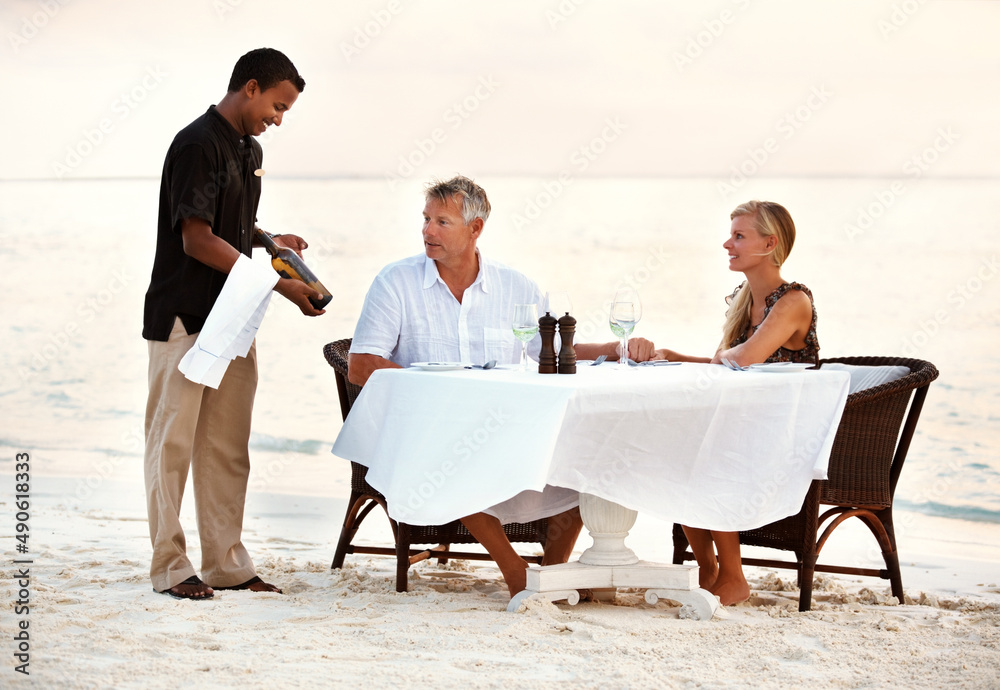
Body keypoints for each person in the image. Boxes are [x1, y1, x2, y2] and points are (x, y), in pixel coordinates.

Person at [348, 175, 656, 597]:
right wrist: (431, 390)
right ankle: (515, 571)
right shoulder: (395, 282)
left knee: (589, 449)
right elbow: (361, 364)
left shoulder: (516, 287)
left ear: (475, 229)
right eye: (425, 220)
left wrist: (612, 346)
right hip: (425, 425)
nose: (427, 231)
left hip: (506, 423)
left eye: (442, 222)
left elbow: (546, 350)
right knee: (450, 452)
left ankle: (552, 569)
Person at [142, 48, 324, 601]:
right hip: (184, 315)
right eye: (278, 104)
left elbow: (231, 226)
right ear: (250, 87)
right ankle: (171, 568)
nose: (279, 117)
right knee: (171, 445)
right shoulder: (196, 143)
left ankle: (224, 563)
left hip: (233, 317)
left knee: (226, 447)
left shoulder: (249, 149)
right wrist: (278, 285)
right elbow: (195, 238)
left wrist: (270, 243)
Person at [651, 200, 819, 606]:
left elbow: (742, 359)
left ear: (769, 244)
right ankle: (709, 571)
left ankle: (733, 576)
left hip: (788, 438)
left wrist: (714, 360)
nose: (728, 244)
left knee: (704, 455)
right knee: (678, 455)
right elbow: (728, 363)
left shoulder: (793, 300)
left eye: (739, 236)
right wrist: (678, 358)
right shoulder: (745, 302)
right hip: (751, 428)